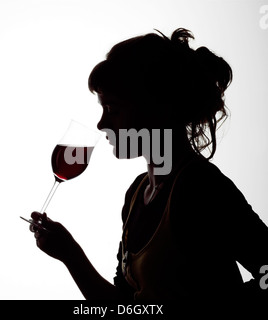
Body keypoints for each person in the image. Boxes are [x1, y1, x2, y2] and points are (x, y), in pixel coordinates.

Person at [29, 28, 268, 302]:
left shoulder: (200, 187)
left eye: (113, 109)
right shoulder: (136, 194)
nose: (101, 124)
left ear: (156, 108)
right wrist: (70, 255)